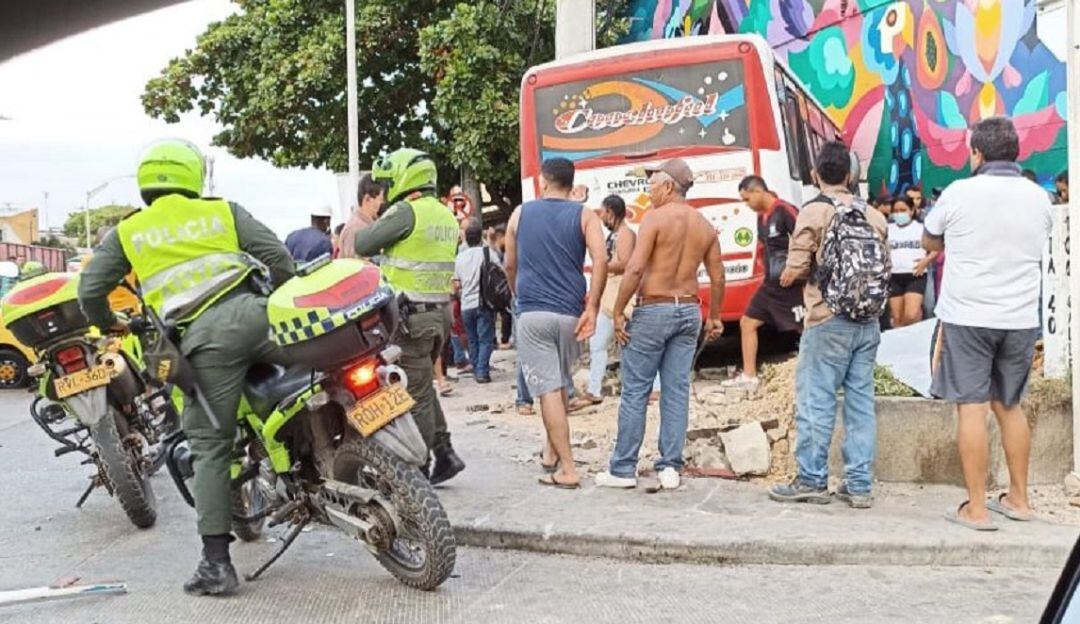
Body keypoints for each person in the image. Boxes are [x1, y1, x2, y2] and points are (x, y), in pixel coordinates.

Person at [77, 138, 295, 596]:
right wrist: (282, 298)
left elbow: (90, 292)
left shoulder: (130, 232)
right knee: (304, 384)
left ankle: (216, 564)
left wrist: (109, 323)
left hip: (206, 341)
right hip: (262, 316)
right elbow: (278, 258)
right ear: (193, 176)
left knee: (211, 448)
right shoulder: (222, 212)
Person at [924, 117, 1052, 531]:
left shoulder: (960, 192)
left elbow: (929, 239)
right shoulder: (1040, 198)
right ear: (1016, 152)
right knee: (1009, 405)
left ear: (976, 153)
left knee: (972, 407)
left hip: (968, 316)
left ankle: (976, 509)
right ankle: (1019, 499)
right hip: (1018, 319)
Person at [769, 141, 888, 509]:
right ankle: (859, 485)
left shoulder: (814, 212)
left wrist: (789, 274)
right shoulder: (875, 216)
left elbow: (795, 268)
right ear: (850, 176)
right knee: (860, 403)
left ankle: (811, 479)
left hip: (827, 319)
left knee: (816, 400)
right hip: (868, 323)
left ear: (816, 174)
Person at [595, 158, 725, 491]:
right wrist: (714, 317)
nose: (649, 190)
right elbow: (718, 274)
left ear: (668, 186)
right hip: (688, 312)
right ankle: (670, 467)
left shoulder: (654, 219)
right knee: (676, 390)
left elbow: (635, 270)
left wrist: (619, 309)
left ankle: (623, 469)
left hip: (654, 309)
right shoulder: (704, 225)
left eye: (652, 184)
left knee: (636, 390)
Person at [353, 148, 465, 486]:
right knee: (422, 385)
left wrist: (383, 215)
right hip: (439, 314)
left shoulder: (406, 211)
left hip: (409, 317)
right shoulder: (445, 214)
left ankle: (419, 469)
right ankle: (445, 451)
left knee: (412, 394)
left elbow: (362, 241)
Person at [505, 157, 608, 489]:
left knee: (548, 391)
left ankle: (568, 468)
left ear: (543, 181)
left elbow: (509, 264)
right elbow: (601, 259)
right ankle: (551, 452)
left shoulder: (521, 214)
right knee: (559, 383)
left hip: (533, 313)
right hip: (571, 315)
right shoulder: (585, 215)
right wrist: (592, 306)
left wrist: (517, 293)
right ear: (571, 183)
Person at [725, 175, 804, 389]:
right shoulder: (761, 218)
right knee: (747, 322)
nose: (746, 205)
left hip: (792, 284)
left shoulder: (785, 211)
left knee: (805, 326)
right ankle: (750, 375)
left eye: (747, 199)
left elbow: (805, 241)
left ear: (759, 191)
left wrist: (796, 269)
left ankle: (818, 368)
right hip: (770, 285)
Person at [453, 219, 496, 384]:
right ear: (480, 237)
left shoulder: (459, 258)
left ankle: (477, 367)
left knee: (472, 339)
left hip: (466, 305)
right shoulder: (487, 254)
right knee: (485, 339)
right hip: (483, 303)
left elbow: (456, 284)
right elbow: (498, 273)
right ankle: (482, 371)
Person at [887, 195, 936, 328]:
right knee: (897, 317)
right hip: (894, 276)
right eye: (896, 211)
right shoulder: (888, 229)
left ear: (912, 210)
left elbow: (936, 248)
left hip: (915, 275)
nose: (899, 214)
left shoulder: (921, 228)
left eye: (903, 210)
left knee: (911, 314)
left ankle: (914, 336)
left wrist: (926, 261)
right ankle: (899, 344)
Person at [338, 174, 385, 260]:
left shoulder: (371, 224)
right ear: (367, 198)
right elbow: (353, 266)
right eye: (380, 199)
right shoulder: (354, 229)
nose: (382, 203)